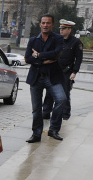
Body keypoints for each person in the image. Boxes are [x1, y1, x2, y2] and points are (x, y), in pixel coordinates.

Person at [24, 14, 66, 142]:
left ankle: (53, 129)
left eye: (48, 23)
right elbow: (28, 58)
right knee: (36, 109)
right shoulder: (33, 40)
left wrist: (39, 55)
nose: (45, 25)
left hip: (52, 77)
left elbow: (56, 54)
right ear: (40, 24)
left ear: (53, 24)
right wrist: (43, 61)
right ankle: (36, 134)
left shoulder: (58, 38)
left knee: (61, 99)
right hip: (36, 77)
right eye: (43, 23)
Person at [41, 19, 83, 121]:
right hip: (54, 70)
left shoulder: (76, 42)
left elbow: (79, 58)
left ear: (69, 29)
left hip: (66, 72)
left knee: (64, 93)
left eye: (64, 29)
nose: (61, 31)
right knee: (50, 92)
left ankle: (65, 114)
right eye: (60, 28)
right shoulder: (56, 40)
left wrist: (74, 72)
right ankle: (46, 112)